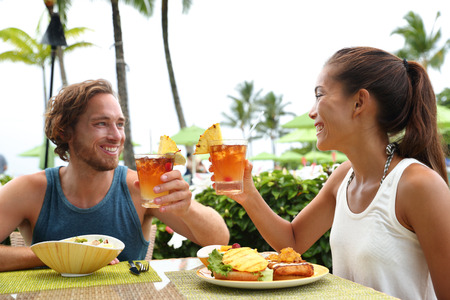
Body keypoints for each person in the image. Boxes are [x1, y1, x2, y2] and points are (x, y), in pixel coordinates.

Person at [213, 47, 450, 299]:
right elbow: (293, 240)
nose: (312, 112)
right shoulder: (344, 177)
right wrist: (248, 193)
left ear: (359, 102)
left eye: (320, 95)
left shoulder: (418, 185)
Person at [0, 79, 229, 272]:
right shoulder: (30, 191)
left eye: (120, 124)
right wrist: (58, 255)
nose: (116, 136)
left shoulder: (140, 187)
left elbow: (219, 241)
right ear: (65, 131)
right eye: (101, 123)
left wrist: (187, 208)